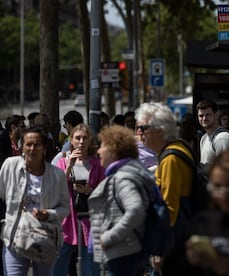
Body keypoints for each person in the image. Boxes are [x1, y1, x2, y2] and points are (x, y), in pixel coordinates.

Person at [0, 126, 70, 276]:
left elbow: (65, 207)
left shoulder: (57, 175)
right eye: (28, 144)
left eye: (37, 144)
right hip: (14, 236)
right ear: (22, 147)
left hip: (45, 237)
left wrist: (48, 214)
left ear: (44, 147)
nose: (32, 148)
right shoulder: (10, 166)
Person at [135, 102, 195, 273]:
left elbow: (170, 207)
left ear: (159, 130)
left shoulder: (170, 159)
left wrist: (160, 249)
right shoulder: (177, 148)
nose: (139, 133)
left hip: (173, 243)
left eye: (143, 128)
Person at [88, 125, 154, 276]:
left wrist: (109, 237)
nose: (98, 151)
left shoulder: (123, 178)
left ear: (114, 150)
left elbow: (136, 211)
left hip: (123, 253)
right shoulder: (128, 172)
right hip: (127, 251)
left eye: (103, 146)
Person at [53, 123, 105, 276]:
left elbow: (106, 192)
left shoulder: (98, 164)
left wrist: (89, 190)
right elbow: (54, 189)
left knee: (90, 267)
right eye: (78, 138)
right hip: (66, 220)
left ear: (90, 141)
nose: (81, 142)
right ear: (71, 141)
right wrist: (69, 166)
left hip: (90, 220)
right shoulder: (62, 162)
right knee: (59, 263)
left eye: (85, 138)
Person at [197, 99, 229, 166]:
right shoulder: (204, 138)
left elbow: (227, 170)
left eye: (208, 115)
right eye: (201, 116)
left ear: (216, 115)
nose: (204, 118)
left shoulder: (222, 139)